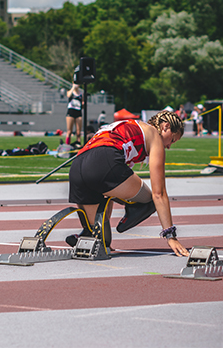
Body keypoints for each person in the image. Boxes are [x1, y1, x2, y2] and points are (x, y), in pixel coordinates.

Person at [67, 110, 189, 257]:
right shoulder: (154, 135)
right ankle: (132, 209)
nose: (169, 146)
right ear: (166, 127)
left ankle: (87, 233)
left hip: (77, 167)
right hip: (105, 160)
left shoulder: (128, 126)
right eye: (172, 140)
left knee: (102, 242)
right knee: (150, 201)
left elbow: (109, 184)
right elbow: (159, 193)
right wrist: (170, 236)